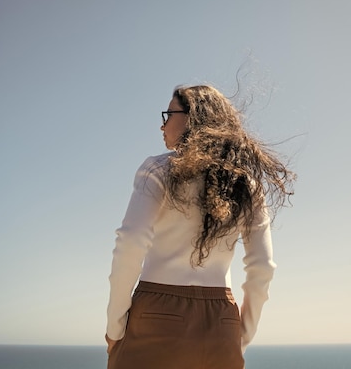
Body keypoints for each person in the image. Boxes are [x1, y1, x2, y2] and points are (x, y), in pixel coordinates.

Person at [106, 85, 294, 369]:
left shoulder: (157, 169)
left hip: (157, 313)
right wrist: (239, 336)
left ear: (194, 118)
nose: (162, 124)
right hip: (222, 322)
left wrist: (115, 326)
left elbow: (131, 241)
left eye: (169, 114)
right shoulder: (248, 185)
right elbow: (263, 267)